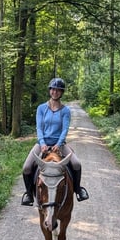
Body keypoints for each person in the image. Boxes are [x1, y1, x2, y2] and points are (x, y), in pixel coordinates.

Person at [21, 77, 89, 205]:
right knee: (26, 167)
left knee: (76, 164)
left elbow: (64, 129)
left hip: (60, 144)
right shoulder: (41, 108)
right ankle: (29, 194)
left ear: (61, 93)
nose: (55, 92)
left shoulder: (65, 111)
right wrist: (42, 144)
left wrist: (58, 144)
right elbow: (39, 127)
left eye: (58, 90)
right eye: (53, 89)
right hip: (43, 143)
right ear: (50, 90)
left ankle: (78, 190)